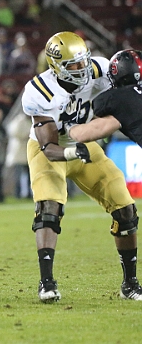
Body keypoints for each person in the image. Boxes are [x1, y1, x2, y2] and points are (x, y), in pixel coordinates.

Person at [21, 32, 142, 303]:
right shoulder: (40, 91)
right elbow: (49, 147)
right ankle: (47, 282)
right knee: (49, 209)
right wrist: (73, 150)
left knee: (125, 209)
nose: (83, 69)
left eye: (84, 61)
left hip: (86, 146)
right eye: (74, 65)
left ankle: (130, 284)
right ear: (57, 65)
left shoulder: (99, 69)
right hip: (52, 150)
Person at [66, 48, 142, 300]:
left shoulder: (117, 98)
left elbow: (91, 128)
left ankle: (130, 284)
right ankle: (130, 285)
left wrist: (66, 125)